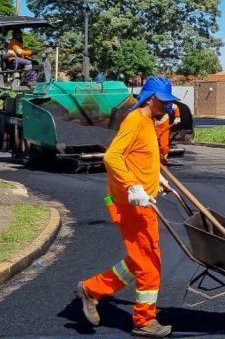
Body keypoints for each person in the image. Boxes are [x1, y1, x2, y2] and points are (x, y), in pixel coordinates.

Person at [76, 76, 178, 338]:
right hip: (130, 204)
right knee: (148, 264)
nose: (166, 106)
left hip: (142, 202)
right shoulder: (135, 121)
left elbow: (141, 158)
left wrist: (157, 179)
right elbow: (112, 157)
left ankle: (92, 289)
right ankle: (144, 321)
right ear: (151, 98)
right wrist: (134, 186)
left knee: (140, 259)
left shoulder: (148, 123)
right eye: (164, 101)